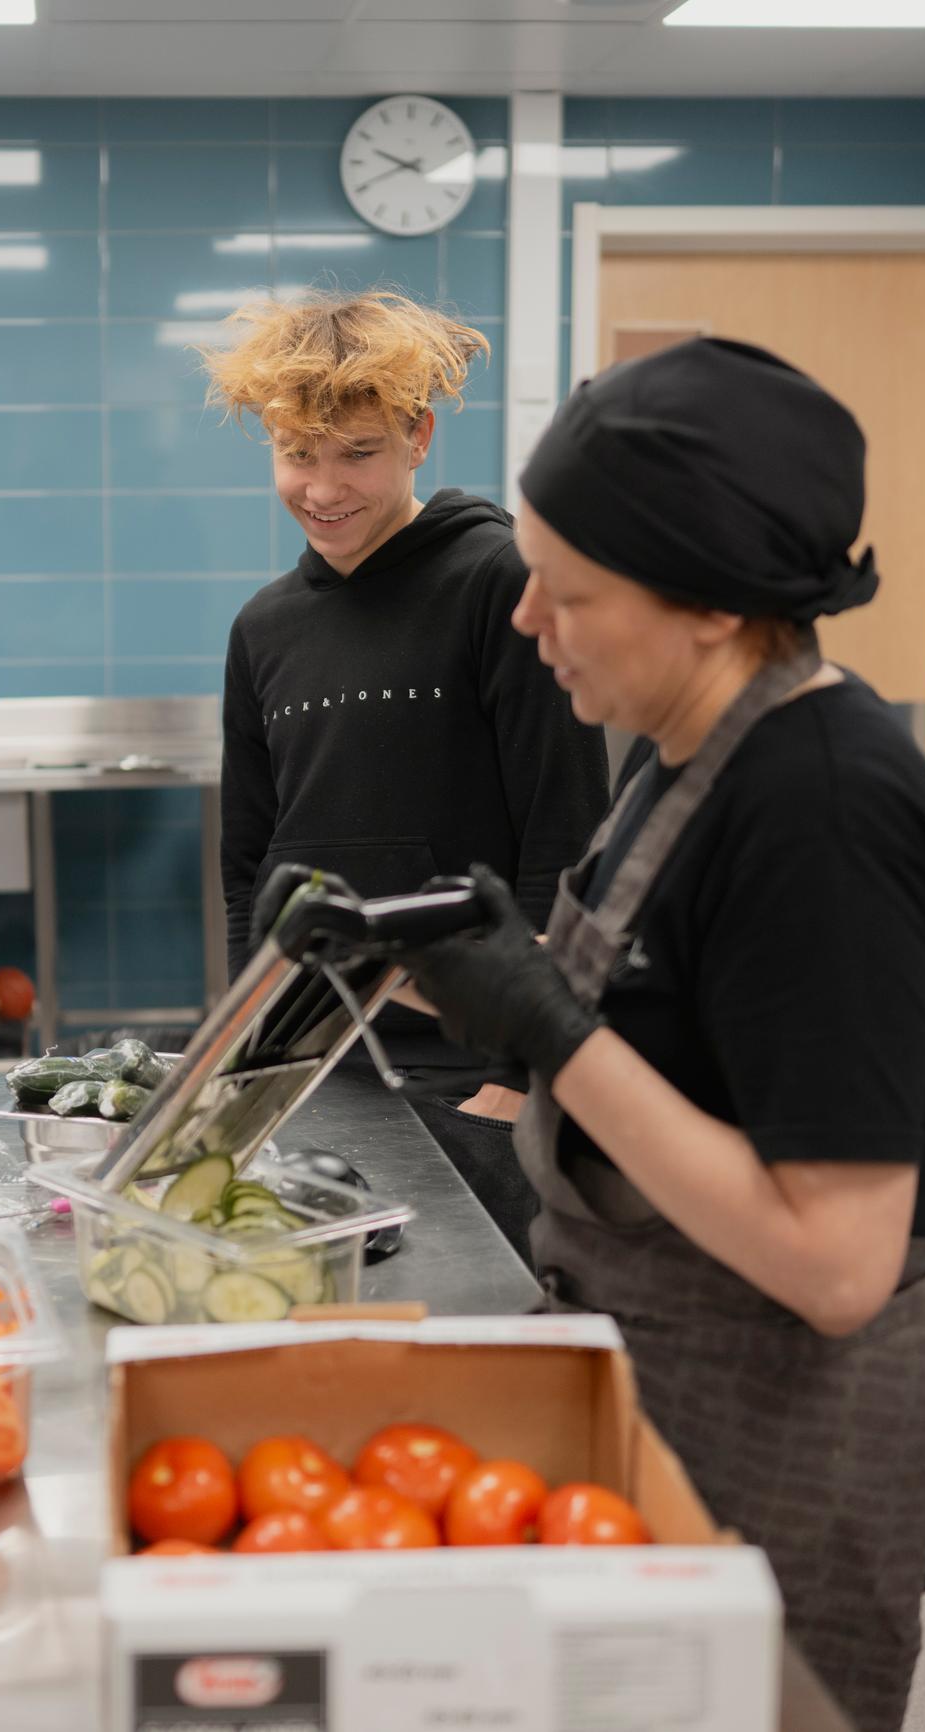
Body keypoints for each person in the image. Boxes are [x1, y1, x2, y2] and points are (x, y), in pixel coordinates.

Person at [406, 338, 925, 1732]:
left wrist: (550, 1028)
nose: (527, 619)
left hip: (788, 1414)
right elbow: (684, 1037)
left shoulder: (822, 810)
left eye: (569, 590)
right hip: (662, 1354)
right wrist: (427, 974)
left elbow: (835, 1263)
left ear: (714, 605)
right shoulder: (682, 753)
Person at [203, 291, 609, 1256]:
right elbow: (248, 866)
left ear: (418, 437)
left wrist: (524, 1075)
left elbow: (564, 838)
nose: (322, 487)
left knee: (467, 1313)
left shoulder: (497, 581)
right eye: (297, 453)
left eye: (357, 453)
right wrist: (248, 1054)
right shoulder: (263, 627)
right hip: (309, 1063)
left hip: (473, 1074)